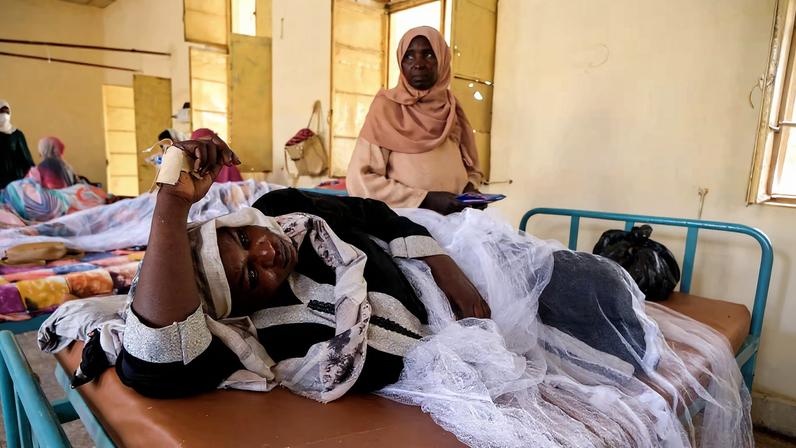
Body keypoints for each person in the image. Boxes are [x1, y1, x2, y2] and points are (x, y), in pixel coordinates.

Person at [346, 27, 484, 215]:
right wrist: (424, 199)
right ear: (400, 64)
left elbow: (471, 166)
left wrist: (470, 188)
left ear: (443, 60)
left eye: (428, 55)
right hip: (407, 220)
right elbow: (359, 180)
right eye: (409, 57)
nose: (418, 64)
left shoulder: (452, 107)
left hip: (457, 219)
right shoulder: (386, 108)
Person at [0, 99, 34, 189]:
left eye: (6, 112)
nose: (4, 115)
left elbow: (26, 159)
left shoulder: (16, 134)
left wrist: (34, 177)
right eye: (1, 111)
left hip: (15, 181)